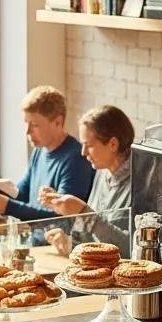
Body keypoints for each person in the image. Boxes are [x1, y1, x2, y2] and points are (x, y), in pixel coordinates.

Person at [0, 86, 94, 222]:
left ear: (58, 122)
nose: (27, 132)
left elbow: (63, 218)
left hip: (57, 241)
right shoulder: (39, 150)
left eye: (34, 125)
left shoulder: (76, 159)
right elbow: (22, 194)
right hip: (35, 237)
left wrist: (8, 206)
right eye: (26, 123)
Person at [41, 105, 134, 254]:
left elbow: (131, 249)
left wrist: (84, 212)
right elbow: (93, 238)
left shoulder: (141, 184)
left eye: (88, 145)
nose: (83, 152)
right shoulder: (103, 172)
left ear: (113, 144)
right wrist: (70, 242)